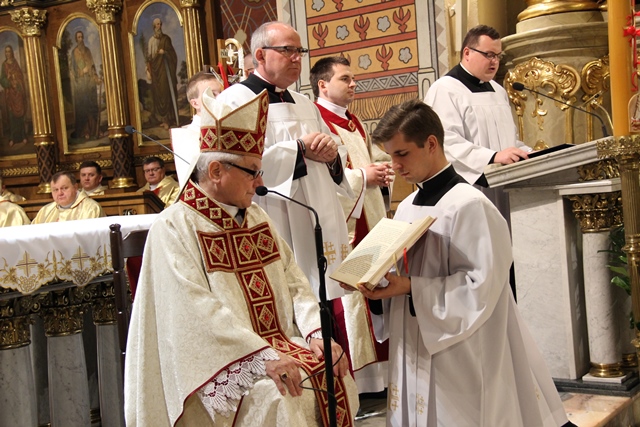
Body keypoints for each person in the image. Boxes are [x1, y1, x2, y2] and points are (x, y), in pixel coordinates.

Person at [125, 88, 358, 426]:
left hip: (277, 345)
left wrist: (315, 333)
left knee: (334, 371)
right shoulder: (175, 227)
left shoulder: (256, 218)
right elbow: (195, 313)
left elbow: (294, 281)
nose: (260, 181)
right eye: (252, 171)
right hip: (216, 363)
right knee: (279, 397)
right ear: (215, 171)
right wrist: (261, 356)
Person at [360, 99, 570, 426]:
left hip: (458, 347)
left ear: (431, 144)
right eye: (390, 156)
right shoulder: (408, 205)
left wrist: (411, 287)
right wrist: (378, 285)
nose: (395, 166)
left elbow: (481, 287)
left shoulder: (470, 205)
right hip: (414, 337)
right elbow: (402, 271)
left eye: (402, 154)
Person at [216, 22, 353, 301]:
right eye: (287, 50)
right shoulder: (234, 101)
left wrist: (331, 155)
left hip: (318, 213)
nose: (296, 58)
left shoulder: (305, 104)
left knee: (324, 296)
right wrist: (299, 148)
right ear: (260, 55)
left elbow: (332, 153)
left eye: (299, 51)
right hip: (274, 213)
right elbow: (236, 165)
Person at [311, 56, 392, 392]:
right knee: (354, 298)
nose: (353, 83)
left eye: (352, 78)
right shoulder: (317, 120)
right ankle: (361, 380)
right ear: (323, 85)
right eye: (345, 78)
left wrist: (381, 169)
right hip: (347, 223)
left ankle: (382, 374)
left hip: (369, 213)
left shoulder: (351, 119)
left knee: (377, 291)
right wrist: (363, 176)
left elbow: (366, 159)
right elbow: (320, 179)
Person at [423, 24, 531, 221]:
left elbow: (509, 140)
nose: (494, 61)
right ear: (467, 53)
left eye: (498, 56)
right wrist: (492, 157)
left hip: (506, 187)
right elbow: (447, 143)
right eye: (489, 54)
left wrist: (528, 154)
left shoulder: (499, 91)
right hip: (470, 189)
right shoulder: (445, 89)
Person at [32, 171, 105, 224]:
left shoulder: (91, 209)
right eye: (55, 190)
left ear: (75, 187)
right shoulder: (45, 211)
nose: (60, 193)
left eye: (64, 188)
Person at [146, 17, 178, 130]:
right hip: (156, 72)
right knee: (158, 94)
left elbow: (173, 55)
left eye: (160, 24)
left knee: (166, 93)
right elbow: (149, 58)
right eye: (157, 24)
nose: (159, 26)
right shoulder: (151, 41)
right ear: (154, 27)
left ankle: (168, 119)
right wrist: (148, 69)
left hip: (165, 71)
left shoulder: (166, 39)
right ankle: (162, 119)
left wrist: (165, 52)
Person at [70, 31, 100, 140]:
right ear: (76, 39)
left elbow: (92, 66)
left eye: (82, 37)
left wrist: (96, 77)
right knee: (83, 107)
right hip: (81, 85)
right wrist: (82, 71)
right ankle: (85, 131)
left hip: (90, 83)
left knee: (92, 106)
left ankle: (94, 130)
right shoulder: (74, 53)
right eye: (78, 37)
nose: (81, 39)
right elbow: (72, 71)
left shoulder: (88, 51)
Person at [0, 45, 27, 147]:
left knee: (20, 115)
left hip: (18, 92)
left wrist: (17, 82)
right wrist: (9, 82)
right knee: (12, 116)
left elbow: (20, 76)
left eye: (9, 51)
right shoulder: (4, 65)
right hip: (10, 93)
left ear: (11, 52)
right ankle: (12, 138)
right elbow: (2, 79)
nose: (8, 53)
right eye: (6, 52)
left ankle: (23, 136)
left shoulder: (15, 63)